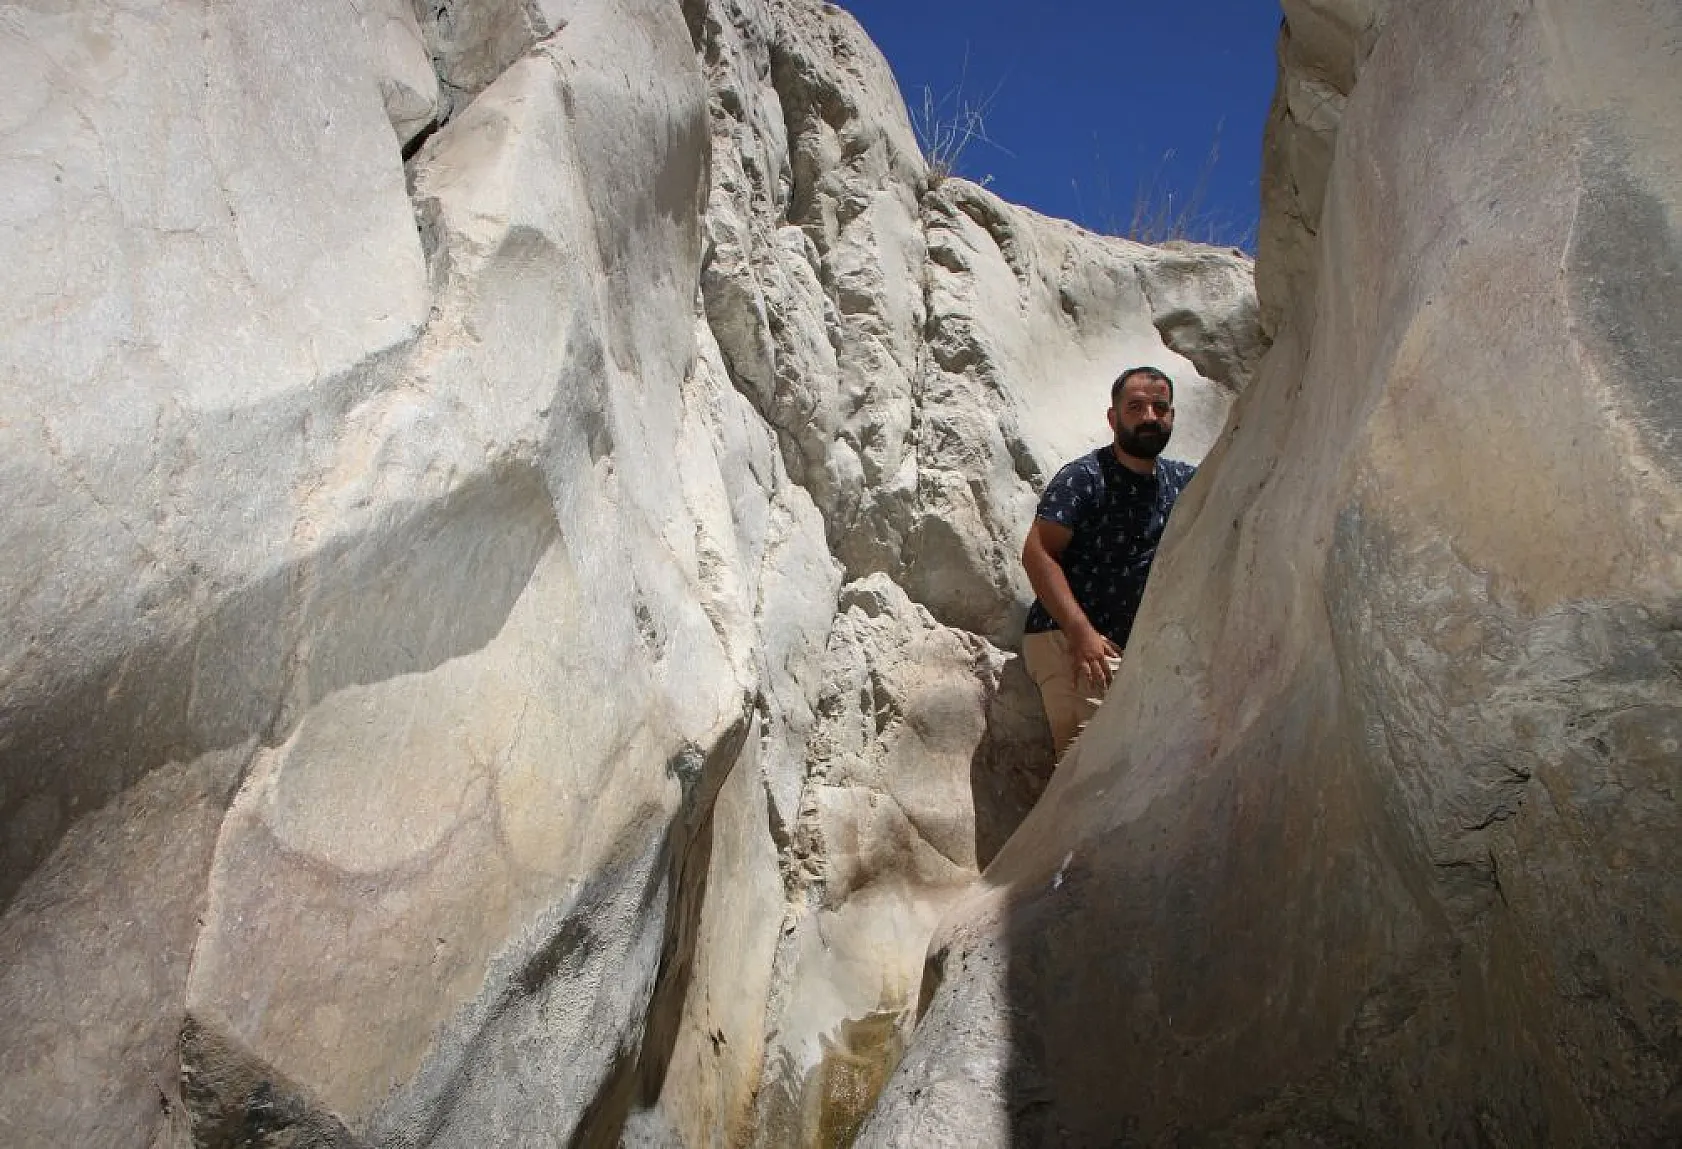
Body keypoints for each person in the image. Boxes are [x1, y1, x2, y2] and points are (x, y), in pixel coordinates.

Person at [1020, 365, 1196, 757]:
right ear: (1113, 419)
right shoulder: (1084, 478)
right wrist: (1080, 632)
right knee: (1084, 770)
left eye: (1159, 408)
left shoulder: (1181, 481)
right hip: (1069, 639)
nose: (1149, 417)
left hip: (1130, 653)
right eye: (1135, 408)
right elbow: (1038, 553)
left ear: (1171, 416)